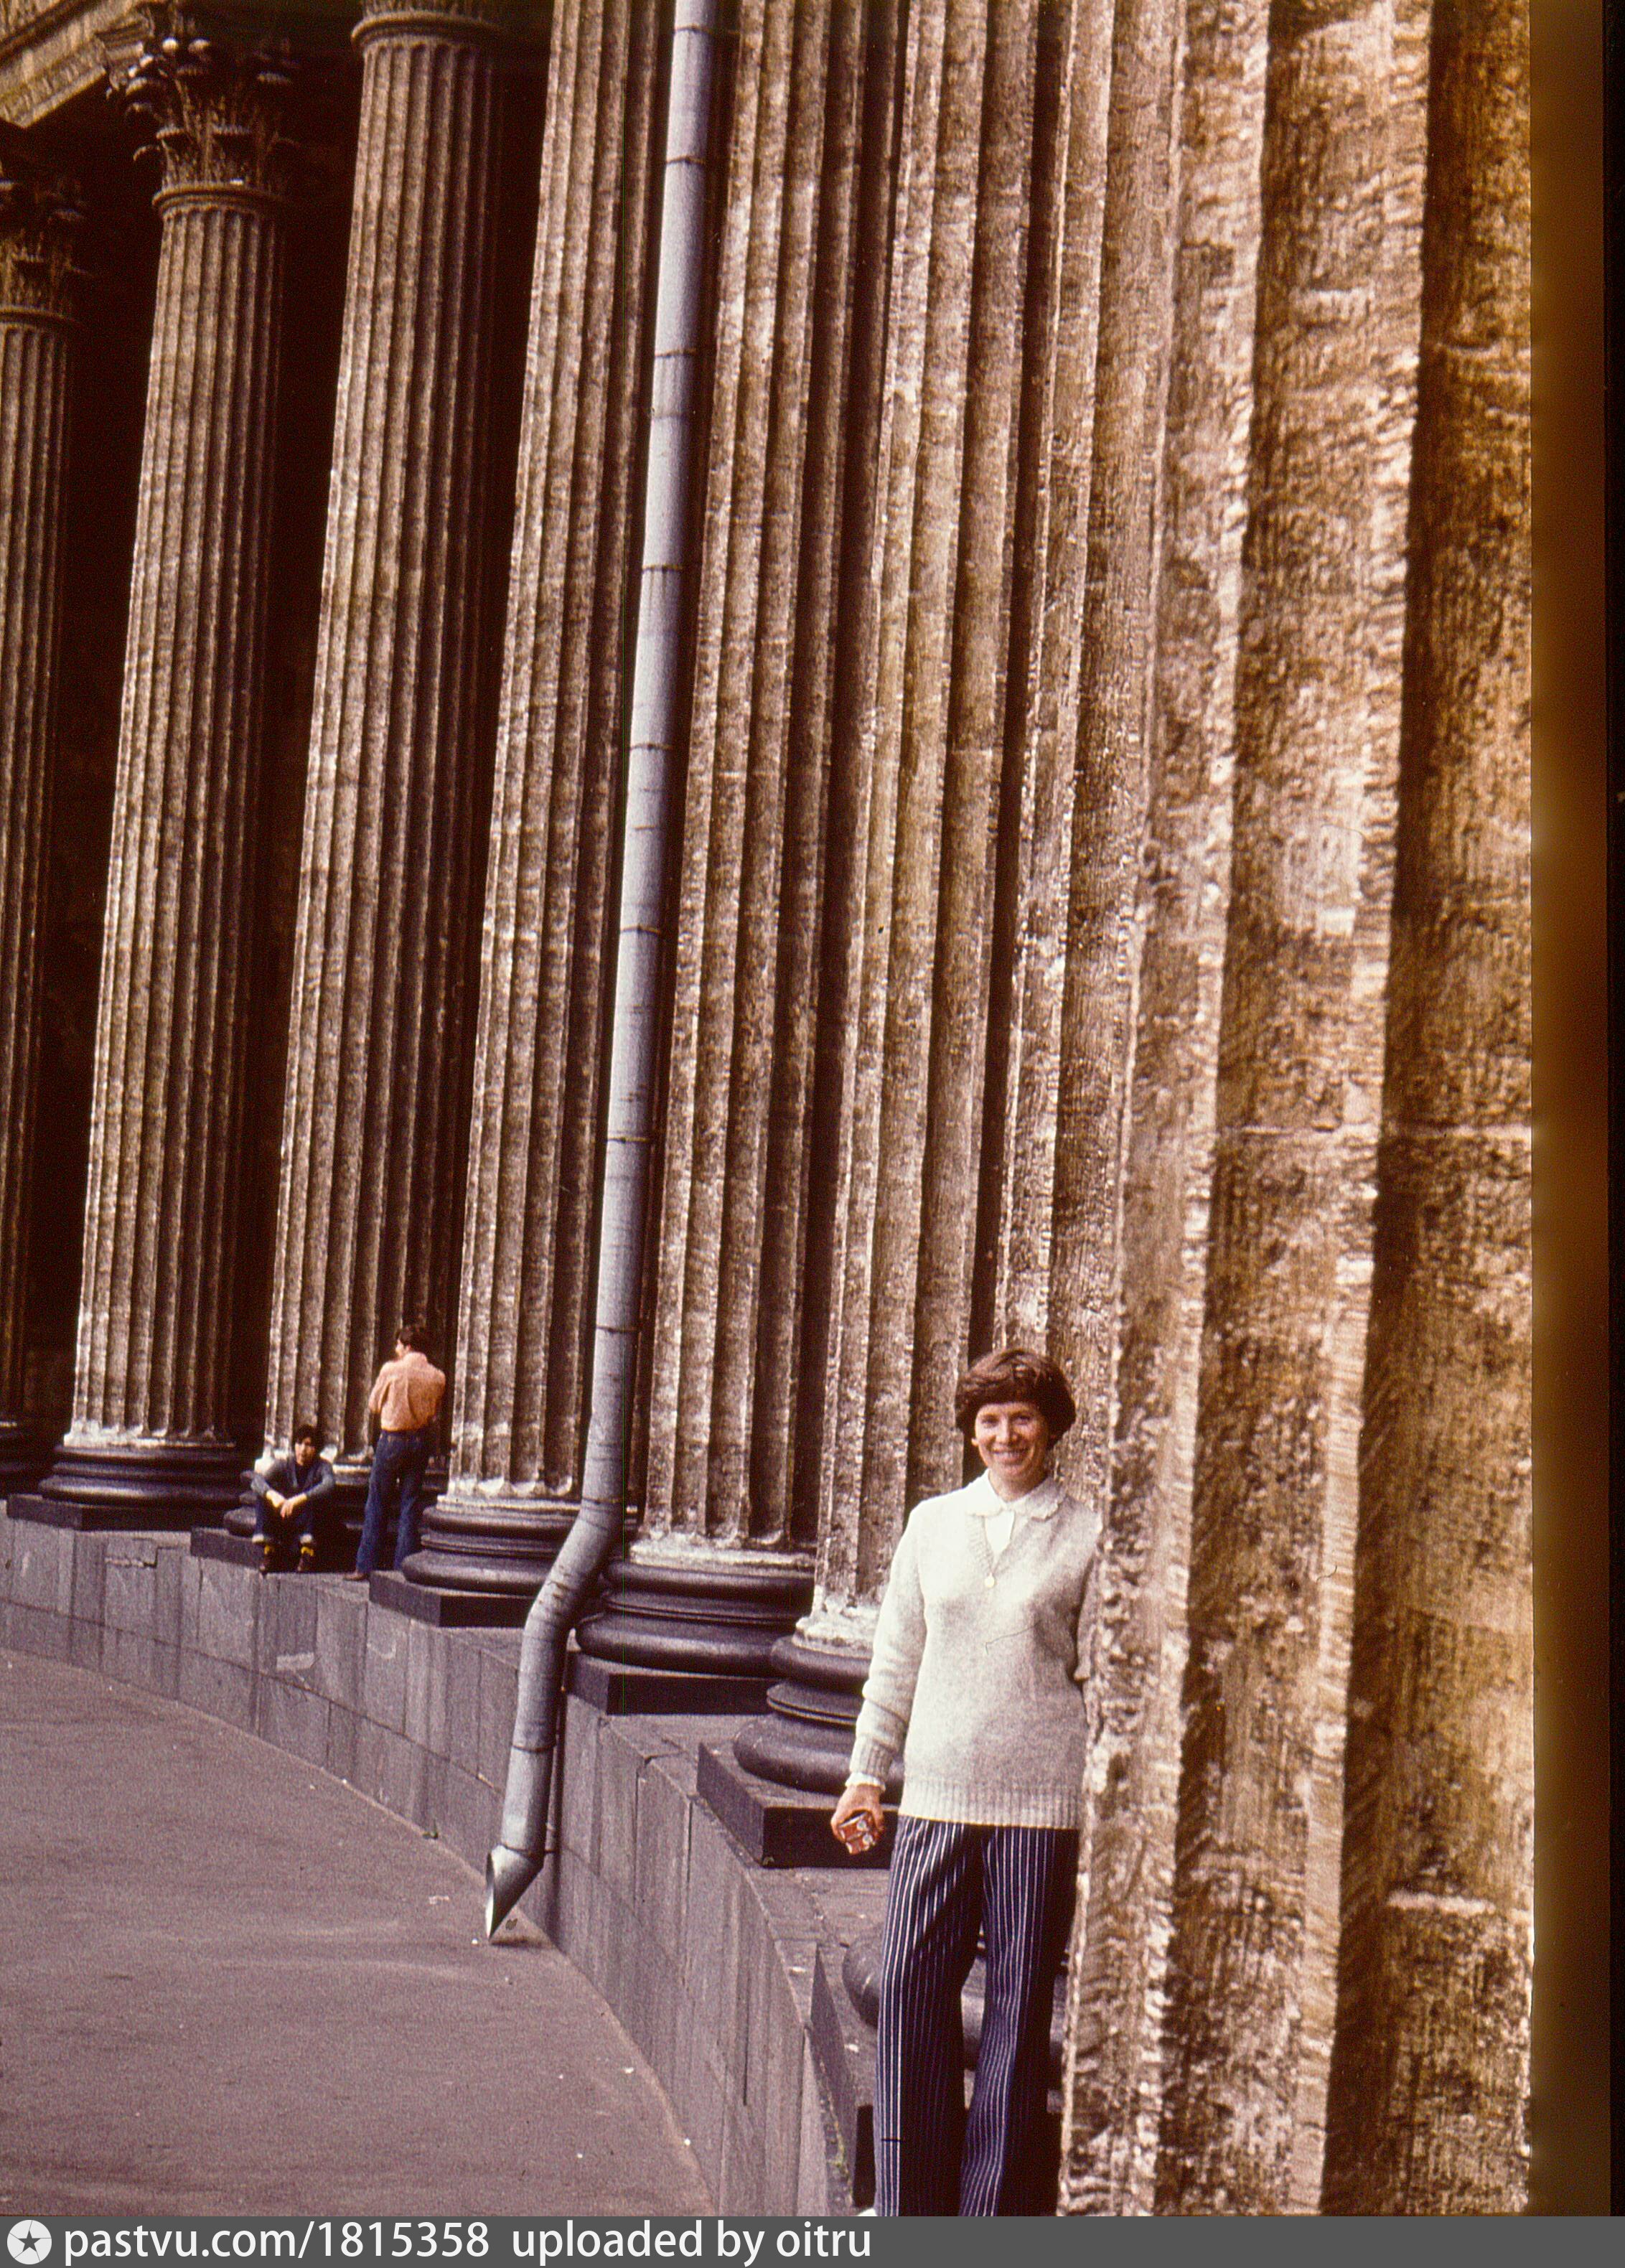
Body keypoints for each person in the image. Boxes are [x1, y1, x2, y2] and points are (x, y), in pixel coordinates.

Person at [829, 1346, 1096, 2217]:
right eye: (989, 1419)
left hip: (1040, 1806)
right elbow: (895, 1660)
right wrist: (865, 1775)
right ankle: (907, 2207)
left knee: (1016, 2012)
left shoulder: (1087, 1535)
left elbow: (1101, 1680)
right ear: (970, 1432)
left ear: (1049, 1427)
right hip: (936, 1795)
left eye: (1022, 1417)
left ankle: (987, 2218)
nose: (1005, 1434)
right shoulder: (931, 1524)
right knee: (909, 1987)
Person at [350, 1321, 446, 1580]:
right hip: (420, 1440)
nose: (396, 1350)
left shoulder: (392, 1370)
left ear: (407, 1346)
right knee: (410, 1503)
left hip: (393, 1439)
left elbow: (373, 1405)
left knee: (378, 1501)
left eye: (398, 1345)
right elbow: (434, 1412)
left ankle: (366, 1565)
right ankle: (402, 1567)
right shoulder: (438, 1376)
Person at [250, 1423, 335, 1574]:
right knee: (263, 1497)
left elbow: (328, 1485)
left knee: (316, 1500)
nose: (302, 1449)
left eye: (308, 1445)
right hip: (286, 1517)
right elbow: (257, 1481)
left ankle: (307, 1554)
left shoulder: (322, 1466)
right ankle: (269, 1551)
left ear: (315, 1449)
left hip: (308, 1520)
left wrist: (297, 1500)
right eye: (299, 1443)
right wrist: (273, 1495)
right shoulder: (285, 1464)